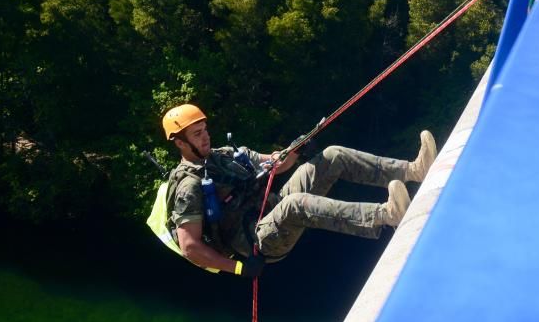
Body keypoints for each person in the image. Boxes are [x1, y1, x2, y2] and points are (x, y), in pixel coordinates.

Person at [162, 103, 437, 276]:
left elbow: (273, 164)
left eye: (204, 129)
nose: (205, 136)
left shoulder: (222, 155)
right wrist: (238, 268)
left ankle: (413, 171)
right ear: (181, 143)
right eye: (197, 134)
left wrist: (295, 151)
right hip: (257, 241)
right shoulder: (188, 186)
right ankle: (388, 214)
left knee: (332, 156)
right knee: (295, 204)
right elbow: (190, 247)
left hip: (271, 207)